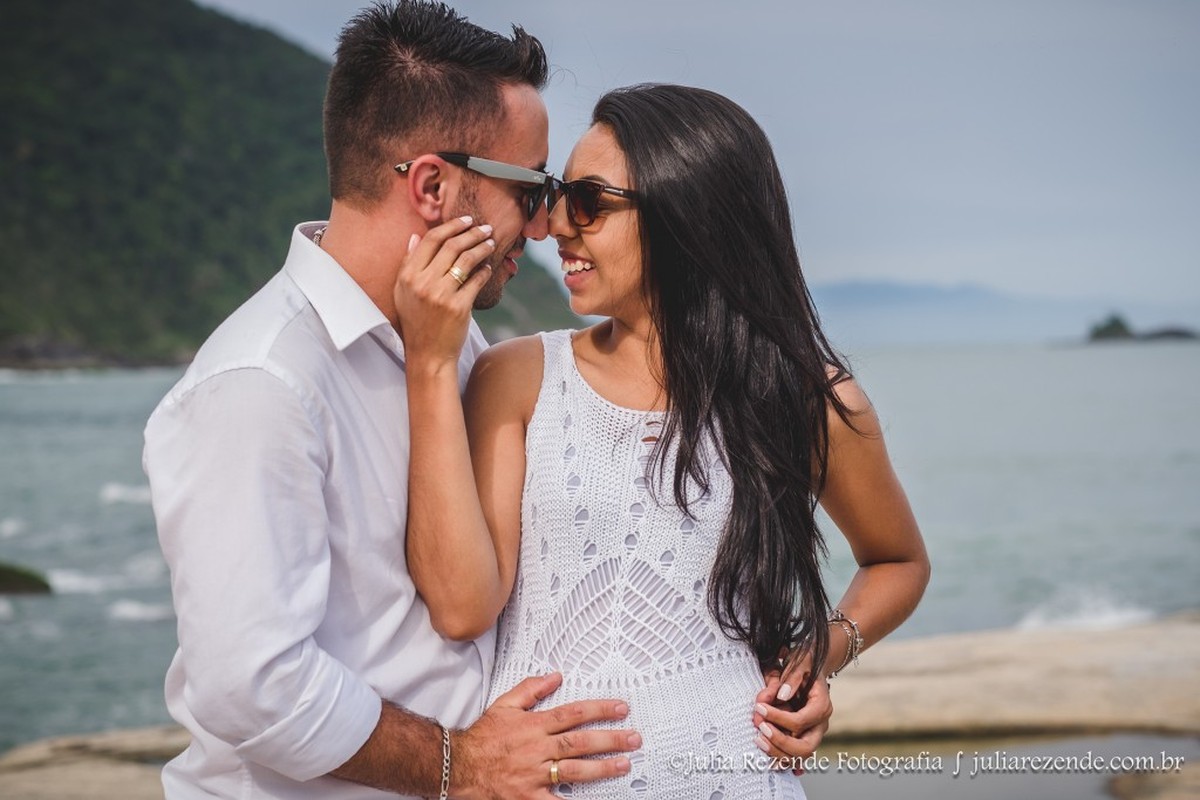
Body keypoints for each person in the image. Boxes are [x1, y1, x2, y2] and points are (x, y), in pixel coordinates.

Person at [142, 3, 643, 798]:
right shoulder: (260, 384)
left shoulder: (458, 348)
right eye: (533, 188)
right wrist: (461, 762)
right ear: (434, 186)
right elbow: (251, 683)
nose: (545, 228)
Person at [395, 83, 932, 798]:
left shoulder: (801, 398)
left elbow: (898, 560)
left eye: (587, 201)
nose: (554, 224)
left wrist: (818, 657)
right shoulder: (518, 378)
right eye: (556, 194)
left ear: (689, 218)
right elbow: (463, 606)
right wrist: (431, 365)